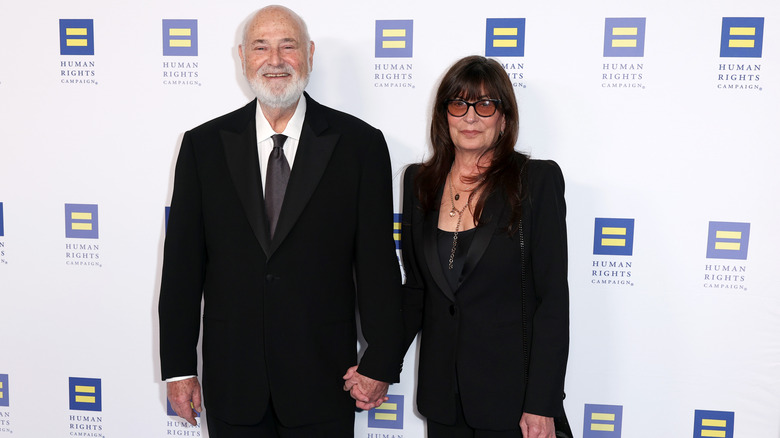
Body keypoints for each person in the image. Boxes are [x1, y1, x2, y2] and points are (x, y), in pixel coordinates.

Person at [158, 5, 403, 437]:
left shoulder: (360, 145)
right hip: (233, 381)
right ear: (242, 57)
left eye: (287, 46)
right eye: (261, 47)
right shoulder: (202, 147)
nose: (275, 60)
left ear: (308, 53)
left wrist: (381, 361)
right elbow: (181, 270)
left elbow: (378, 266)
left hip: (325, 379)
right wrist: (178, 369)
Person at [400, 55, 569, 438]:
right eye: (458, 104)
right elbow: (416, 292)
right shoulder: (419, 184)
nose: (470, 117)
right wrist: (379, 364)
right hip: (443, 400)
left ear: (504, 117)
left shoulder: (535, 182)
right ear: (444, 115)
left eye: (485, 105)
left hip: (512, 401)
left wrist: (541, 403)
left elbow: (552, 300)